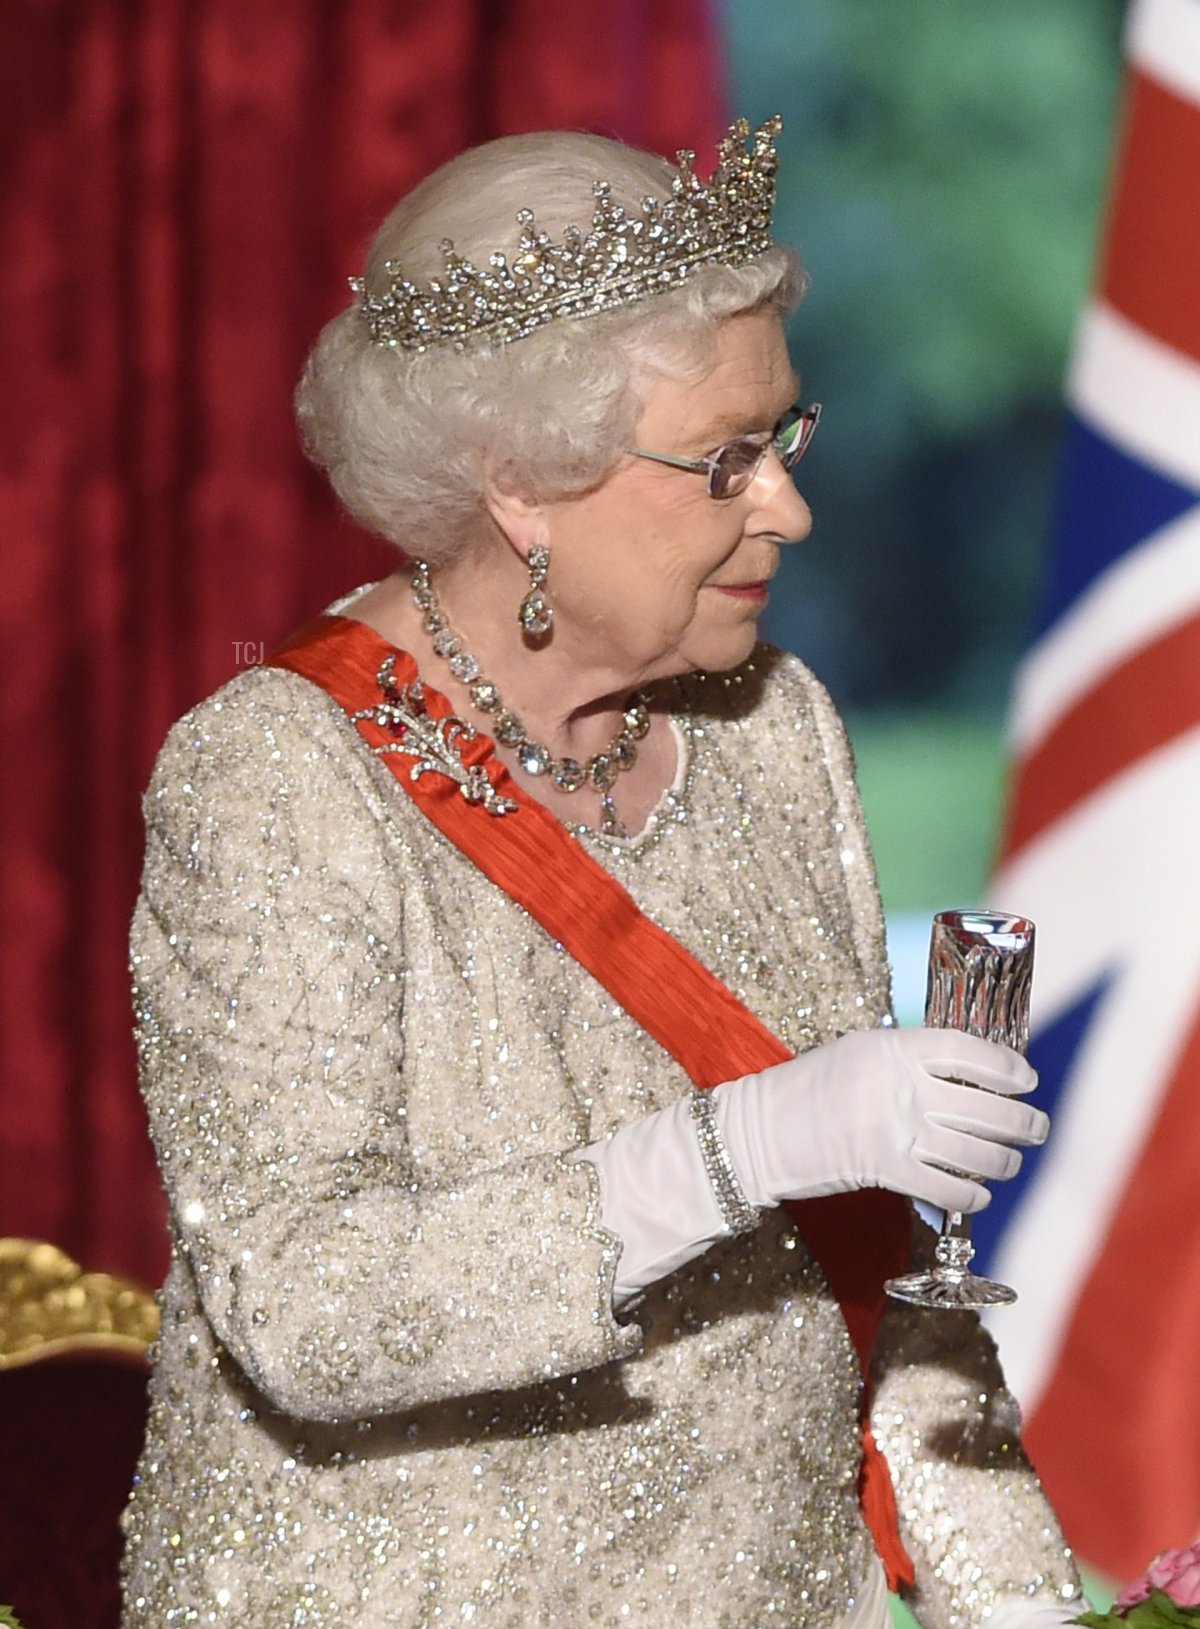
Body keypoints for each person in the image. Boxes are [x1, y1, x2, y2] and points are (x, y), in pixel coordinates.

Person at [121, 119, 1085, 1629]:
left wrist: (1035, 1616)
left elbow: (884, 1290)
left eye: (788, 435)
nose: (789, 507)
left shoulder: (776, 729)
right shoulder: (278, 779)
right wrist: (744, 1144)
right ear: (522, 484)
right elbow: (306, 1308)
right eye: (726, 462)